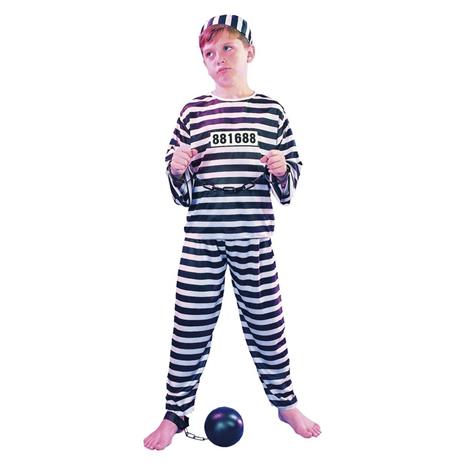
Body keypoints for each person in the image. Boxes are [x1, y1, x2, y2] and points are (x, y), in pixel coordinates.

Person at [144, 14, 321, 451]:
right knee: (189, 328)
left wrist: (282, 169)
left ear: (249, 52)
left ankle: (285, 404)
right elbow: (178, 186)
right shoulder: (193, 112)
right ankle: (174, 412)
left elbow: (291, 180)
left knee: (267, 326)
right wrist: (177, 168)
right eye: (209, 53)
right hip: (201, 240)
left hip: (254, 239)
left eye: (228, 48)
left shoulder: (271, 112)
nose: (219, 58)